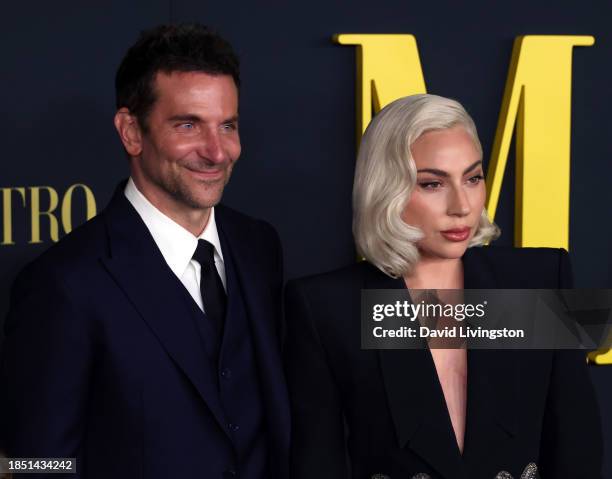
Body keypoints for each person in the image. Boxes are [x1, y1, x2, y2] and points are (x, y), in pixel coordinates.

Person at [0, 23, 289, 479]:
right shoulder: (63, 284)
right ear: (131, 131)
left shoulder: (259, 247)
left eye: (228, 125)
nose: (217, 152)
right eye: (189, 125)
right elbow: (37, 463)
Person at [284, 94, 603, 479]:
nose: (462, 205)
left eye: (473, 178)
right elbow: (317, 463)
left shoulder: (543, 276)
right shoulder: (325, 306)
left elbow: (578, 448)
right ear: (386, 189)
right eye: (433, 184)